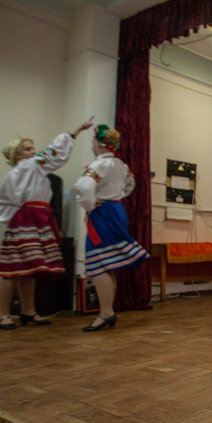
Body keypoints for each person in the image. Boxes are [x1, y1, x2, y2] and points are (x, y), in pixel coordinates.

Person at [0, 118, 95, 329]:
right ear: (16, 155)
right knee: (13, 269)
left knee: (30, 270)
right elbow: (53, 152)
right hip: (27, 220)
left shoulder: (32, 170)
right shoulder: (28, 167)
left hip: (37, 219)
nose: (33, 151)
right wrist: (75, 131)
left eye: (32, 148)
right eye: (27, 149)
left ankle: (28, 311)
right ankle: (3, 313)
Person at [74, 124, 149, 331]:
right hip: (117, 210)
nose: (91, 145)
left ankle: (106, 313)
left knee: (99, 263)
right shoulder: (121, 165)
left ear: (99, 143)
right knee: (109, 263)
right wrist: (115, 197)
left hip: (103, 213)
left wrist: (90, 203)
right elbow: (130, 184)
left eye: (92, 142)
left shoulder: (101, 164)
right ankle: (108, 311)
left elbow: (82, 186)